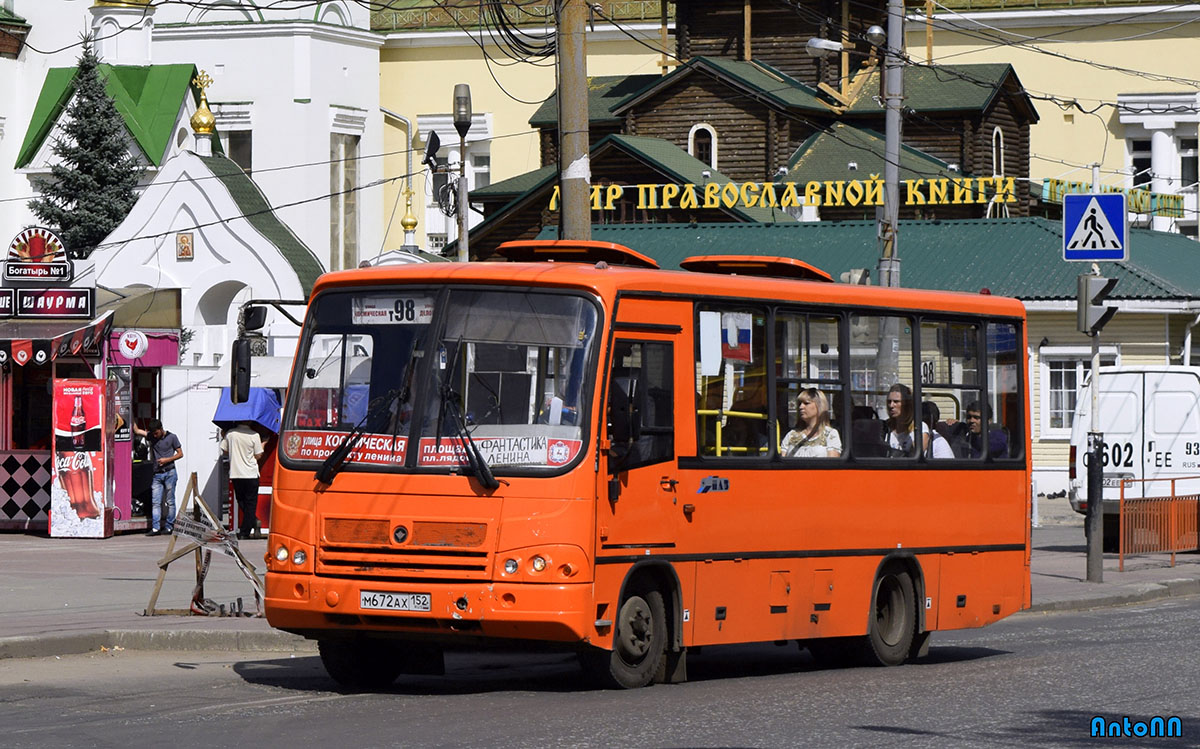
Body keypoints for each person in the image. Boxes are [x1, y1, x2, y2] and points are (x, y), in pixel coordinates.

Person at [132, 419, 183, 536]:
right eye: (153, 433)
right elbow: (137, 430)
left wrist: (167, 460)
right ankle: (156, 528)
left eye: (156, 433)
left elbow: (180, 454)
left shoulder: (172, 437)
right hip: (157, 474)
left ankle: (169, 526)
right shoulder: (152, 436)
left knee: (170, 501)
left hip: (169, 472)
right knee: (156, 502)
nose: (154, 436)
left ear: (161, 429)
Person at [220, 421, 265, 539]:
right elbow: (259, 454)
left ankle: (252, 522)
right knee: (251, 504)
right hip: (251, 474)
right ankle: (246, 530)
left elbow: (224, 450)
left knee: (241, 501)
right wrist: (264, 444)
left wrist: (223, 436)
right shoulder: (254, 435)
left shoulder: (231, 434)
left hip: (236, 473)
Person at [781, 387, 842, 458]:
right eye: (800, 403)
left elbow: (833, 464)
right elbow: (782, 463)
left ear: (819, 406)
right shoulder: (791, 435)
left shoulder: (830, 434)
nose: (801, 407)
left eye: (806, 403)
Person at [884, 383, 927, 458]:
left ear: (907, 404)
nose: (891, 405)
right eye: (889, 401)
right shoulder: (884, 428)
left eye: (896, 402)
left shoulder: (920, 427)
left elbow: (915, 457)